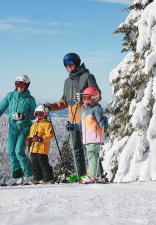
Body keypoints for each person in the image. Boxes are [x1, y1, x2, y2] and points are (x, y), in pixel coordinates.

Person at [44, 53, 101, 182]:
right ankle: (80, 174)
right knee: (76, 148)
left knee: (90, 148)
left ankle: (98, 174)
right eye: (65, 64)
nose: (67, 66)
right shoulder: (67, 81)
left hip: (86, 118)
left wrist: (84, 97)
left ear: (76, 62)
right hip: (73, 119)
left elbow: (97, 95)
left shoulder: (87, 76)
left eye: (69, 63)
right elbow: (64, 102)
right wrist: (51, 107)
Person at [0, 75, 36, 186]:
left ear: (26, 85)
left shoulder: (30, 99)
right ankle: (16, 176)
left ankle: (28, 176)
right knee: (12, 153)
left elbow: (34, 115)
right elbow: (1, 108)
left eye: (22, 84)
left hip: (25, 128)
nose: (19, 87)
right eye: (17, 84)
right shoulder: (10, 96)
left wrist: (24, 117)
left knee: (19, 151)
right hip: (13, 128)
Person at [79, 87, 108, 183]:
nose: (85, 100)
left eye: (87, 97)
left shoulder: (96, 109)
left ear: (94, 98)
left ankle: (93, 174)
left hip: (95, 137)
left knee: (91, 154)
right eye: (84, 97)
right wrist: (74, 127)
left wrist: (104, 122)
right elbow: (83, 124)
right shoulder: (84, 110)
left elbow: (102, 123)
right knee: (92, 155)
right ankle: (97, 175)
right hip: (87, 138)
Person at [26, 105, 54, 184]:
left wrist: (40, 138)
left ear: (45, 114)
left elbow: (50, 135)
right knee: (34, 164)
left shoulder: (47, 124)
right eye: (36, 114)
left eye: (40, 114)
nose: (38, 116)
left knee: (43, 163)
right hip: (33, 148)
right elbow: (31, 135)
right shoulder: (34, 124)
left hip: (42, 148)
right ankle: (37, 178)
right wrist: (28, 139)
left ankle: (48, 178)